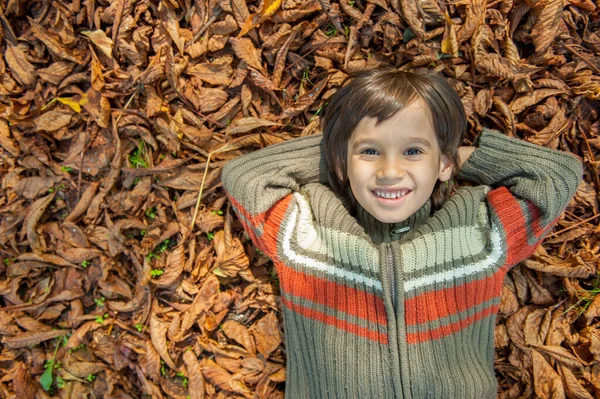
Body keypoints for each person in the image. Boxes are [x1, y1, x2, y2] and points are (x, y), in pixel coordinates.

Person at [221, 68, 583, 398]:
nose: (389, 170)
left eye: (412, 151)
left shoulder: (480, 230)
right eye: (369, 151)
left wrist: (457, 156)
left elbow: (556, 176)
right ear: (341, 162)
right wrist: (338, 153)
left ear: (443, 163)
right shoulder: (305, 233)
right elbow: (247, 176)